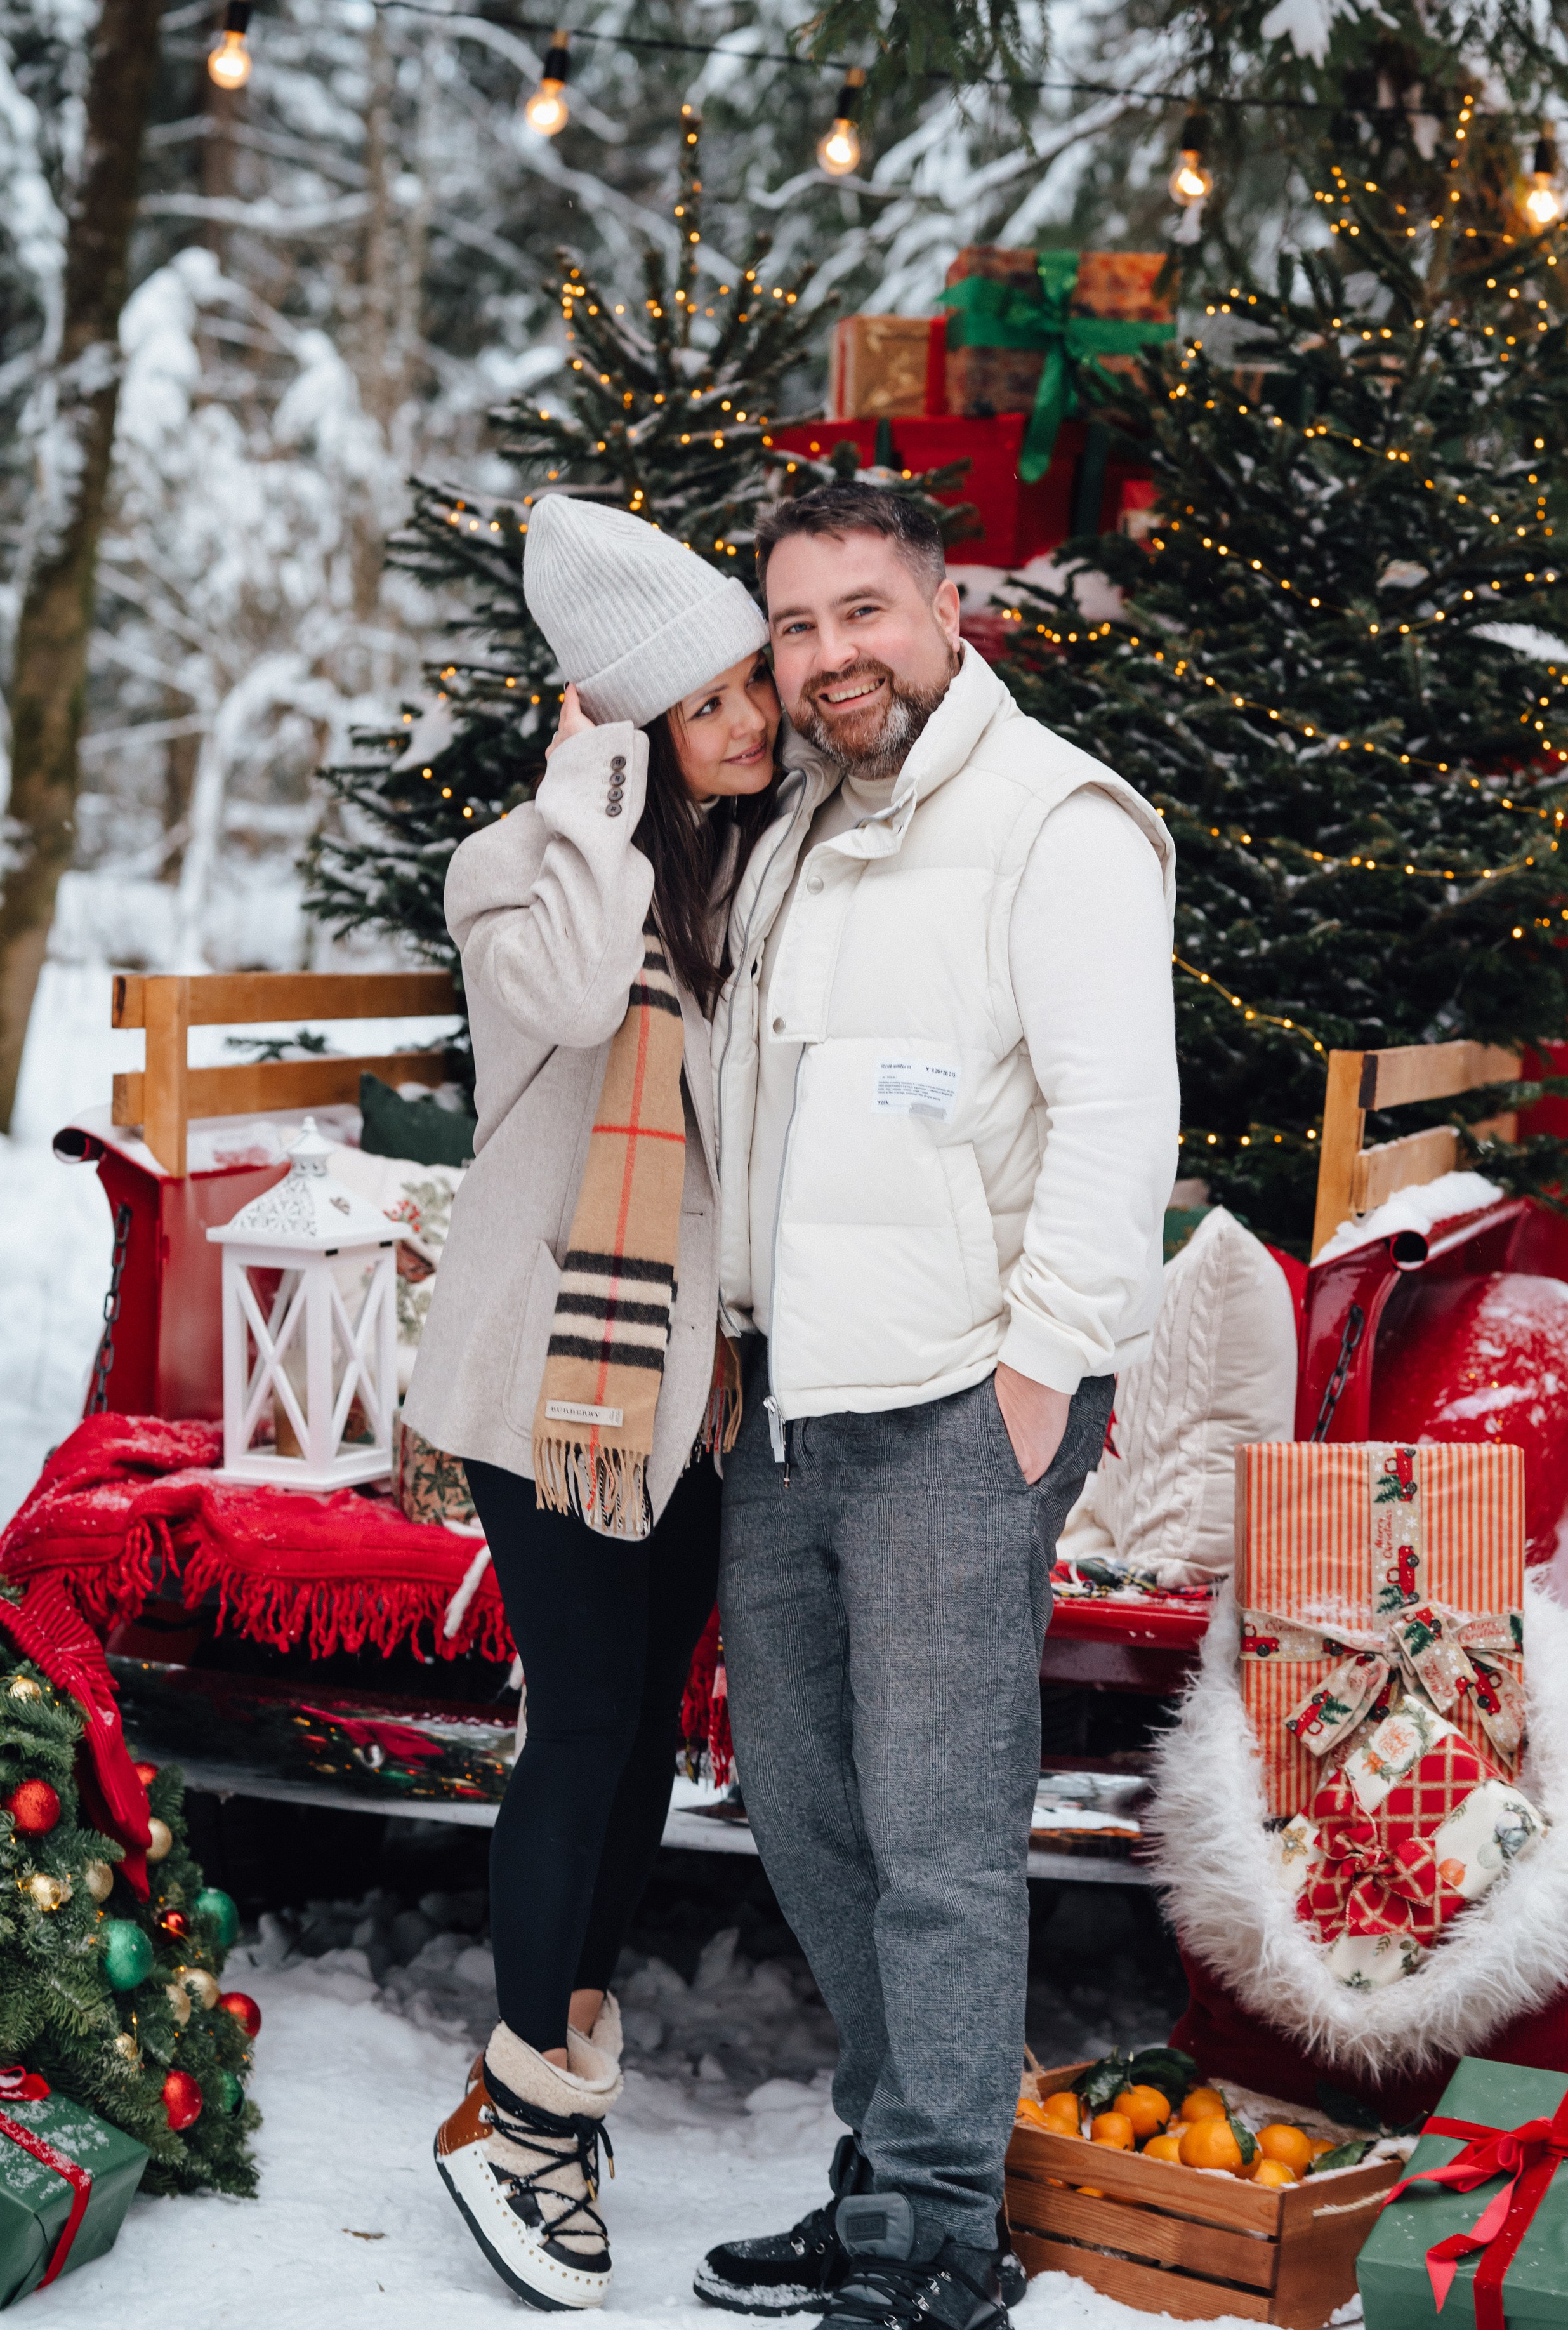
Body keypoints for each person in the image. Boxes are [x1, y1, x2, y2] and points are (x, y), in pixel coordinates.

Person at [694, 484, 1180, 2330]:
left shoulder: (1054, 821)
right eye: (798, 625)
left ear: (947, 601)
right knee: (811, 1816)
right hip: (795, 1407)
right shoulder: (807, 826)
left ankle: (937, 2226)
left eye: (864, 610)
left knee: (940, 1838)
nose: (831, 656)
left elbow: (1121, 1122)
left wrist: (1038, 1373)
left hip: (956, 1410)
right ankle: (889, 2161)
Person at [405, 494, 782, 2312]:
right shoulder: (525, 865)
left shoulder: (740, 875)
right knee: (586, 1723)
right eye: (711, 701)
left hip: (679, 1381)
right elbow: (558, 985)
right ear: (631, 716)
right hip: (548, 1372)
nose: (754, 721)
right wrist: (587, 803)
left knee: (641, 1740)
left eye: (750, 690)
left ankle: (556, 2063)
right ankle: (519, 2109)